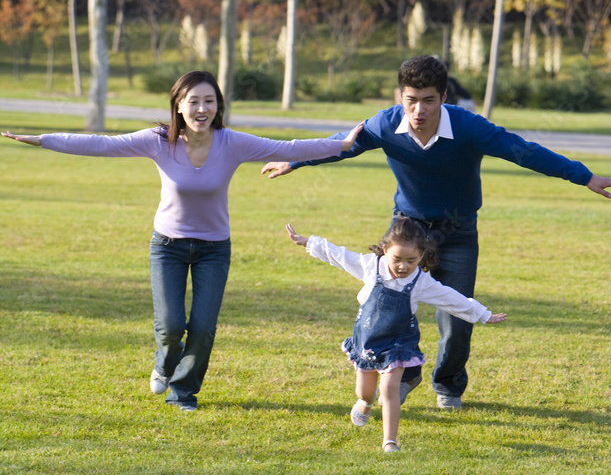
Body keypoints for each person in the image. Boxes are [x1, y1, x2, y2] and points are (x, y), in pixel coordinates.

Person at [263, 55, 611, 411]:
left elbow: (523, 151)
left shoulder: (470, 127)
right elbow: (342, 144)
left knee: (456, 318)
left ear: (443, 98)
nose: (418, 110)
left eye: (428, 100)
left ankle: (448, 384)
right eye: (410, 100)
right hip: (407, 230)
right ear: (399, 97)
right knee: (388, 306)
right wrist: (294, 161)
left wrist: (585, 177)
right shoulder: (384, 124)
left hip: (457, 232)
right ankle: (404, 377)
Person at [2, 70, 361, 412]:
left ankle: (183, 392)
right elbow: (101, 144)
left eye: (209, 101)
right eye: (193, 101)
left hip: (214, 249)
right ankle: (164, 364)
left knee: (203, 328)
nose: (202, 109)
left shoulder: (231, 143)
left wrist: (341, 144)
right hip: (168, 246)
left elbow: (290, 147)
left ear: (218, 106)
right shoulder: (159, 141)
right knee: (171, 326)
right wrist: (41, 139)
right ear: (178, 105)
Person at [286, 216, 506, 452]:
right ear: (385, 250)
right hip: (368, 339)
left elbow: (450, 298)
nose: (403, 266)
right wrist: (310, 243)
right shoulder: (371, 266)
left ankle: (389, 441)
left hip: (399, 343)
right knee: (365, 392)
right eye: (397, 259)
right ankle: (366, 402)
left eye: (411, 260)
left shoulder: (421, 281)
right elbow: (341, 256)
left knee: (391, 388)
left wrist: (482, 314)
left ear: (422, 255)